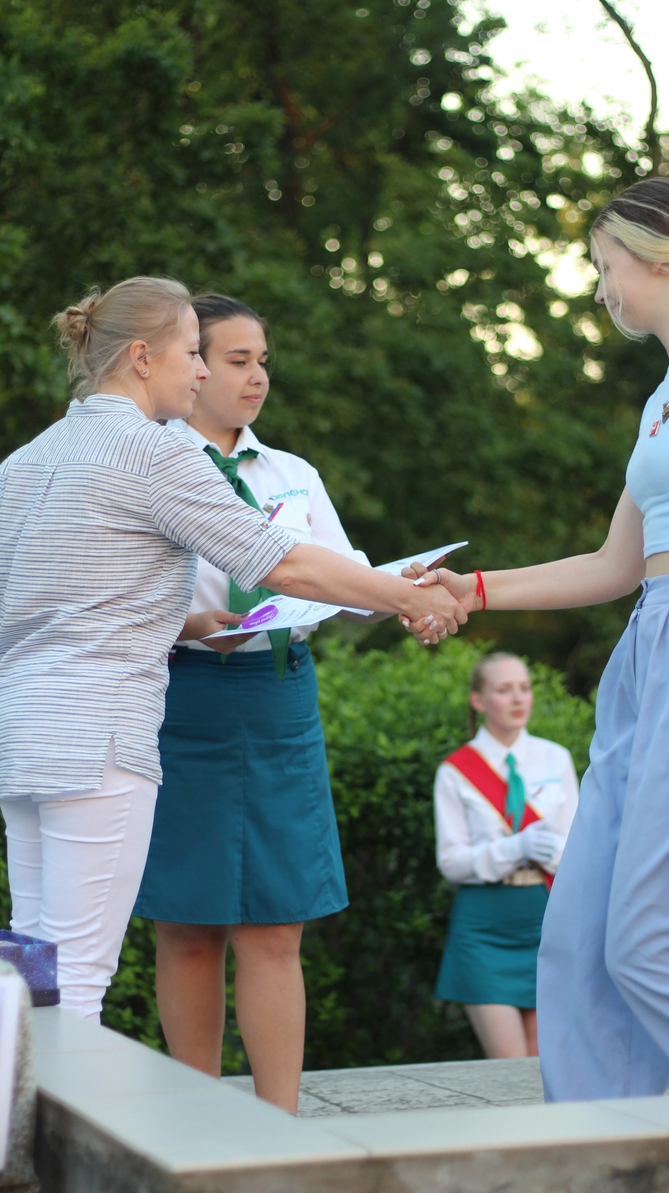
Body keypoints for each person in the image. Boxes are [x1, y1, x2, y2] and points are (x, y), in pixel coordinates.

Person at [407, 177, 669, 1097]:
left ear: (652, 256)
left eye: (602, 265)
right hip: (653, 640)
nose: (599, 287)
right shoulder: (668, 391)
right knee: (582, 935)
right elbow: (613, 563)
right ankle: (601, 1142)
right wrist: (472, 590)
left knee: (652, 940)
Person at [0, 276, 464, 1024]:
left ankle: (17, 1105)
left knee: (29, 961)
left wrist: (182, 625)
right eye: (193, 353)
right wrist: (410, 597)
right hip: (100, 737)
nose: (201, 371)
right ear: (143, 358)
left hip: (21, 736)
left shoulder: (28, 458)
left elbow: (37, 607)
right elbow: (283, 563)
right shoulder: (154, 451)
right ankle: (45, 1111)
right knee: (79, 974)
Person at [134, 295, 388, 1112]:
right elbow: (103, 598)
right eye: (238, 360)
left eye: (263, 361)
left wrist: (404, 590)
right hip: (182, 700)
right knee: (188, 924)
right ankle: (198, 1124)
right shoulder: (146, 461)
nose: (257, 377)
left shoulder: (293, 474)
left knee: (279, 923)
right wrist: (189, 624)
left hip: (280, 699)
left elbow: (345, 580)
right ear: (193, 366)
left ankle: (279, 1128)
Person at [433, 653, 578, 1058]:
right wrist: (514, 849)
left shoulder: (556, 758)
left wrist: (552, 851)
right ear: (478, 701)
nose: (518, 699)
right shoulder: (454, 772)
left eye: (525, 688)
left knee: (545, 1064)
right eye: (504, 690)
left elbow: (576, 846)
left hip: (547, 919)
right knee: (509, 1067)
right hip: (484, 928)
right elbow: (451, 861)